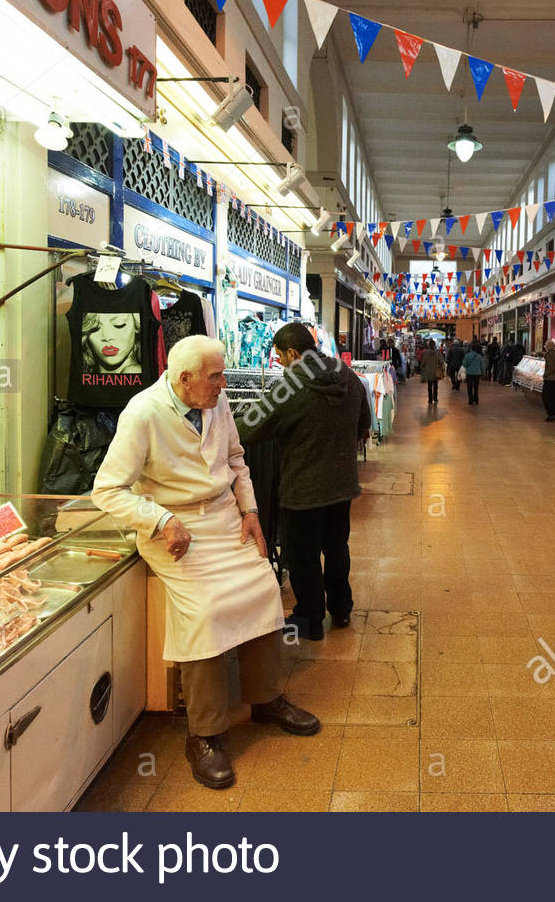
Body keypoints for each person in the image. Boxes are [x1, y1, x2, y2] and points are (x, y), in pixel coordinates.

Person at [91, 335, 320, 790]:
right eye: (215, 376)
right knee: (206, 611)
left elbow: (236, 459)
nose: (223, 384)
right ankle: (205, 734)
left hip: (223, 518)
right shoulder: (142, 412)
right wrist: (158, 519)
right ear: (184, 379)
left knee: (264, 589)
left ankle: (266, 699)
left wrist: (251, 512)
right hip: (174, 533)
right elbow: (107, 489)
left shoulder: (217, 403)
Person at [237, 322, 371, 643]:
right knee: (337, 548)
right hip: (342, 485)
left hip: (303, 489)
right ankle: (341, 607)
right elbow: (364, 422)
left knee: (302, 555)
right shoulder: (347, 375)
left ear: (293, 353)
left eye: (281, 357)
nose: (280, 363)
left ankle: (310, 618)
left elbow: (250, 428)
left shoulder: (290, 386)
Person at [461, 341, 484, 405]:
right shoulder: (479, 356)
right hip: (477, 373)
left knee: (469, 387)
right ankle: (476, 399)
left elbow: (464, 364)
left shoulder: (467, 355)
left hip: (469, 373)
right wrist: (483, 373)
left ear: (471, 348)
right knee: (476, 387)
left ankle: (470, 400)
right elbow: (482, 365)